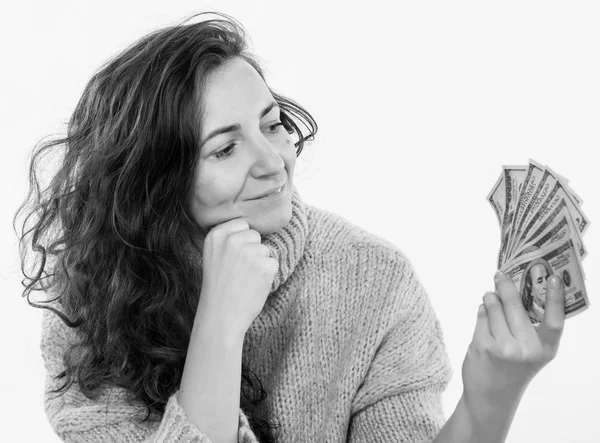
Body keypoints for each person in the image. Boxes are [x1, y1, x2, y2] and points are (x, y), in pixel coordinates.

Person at [14, 11, 566, 443]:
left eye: (273, 124)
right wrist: (219, 328)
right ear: (152, 182)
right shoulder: (92, 297)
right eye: (226, 148)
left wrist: (489, 401)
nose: (273, 161)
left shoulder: (375, 280)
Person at [521, 259, 553, 323]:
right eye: (540, 281)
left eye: (547, 278)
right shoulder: (528, 318)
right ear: (530, 289)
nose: (546, 285)